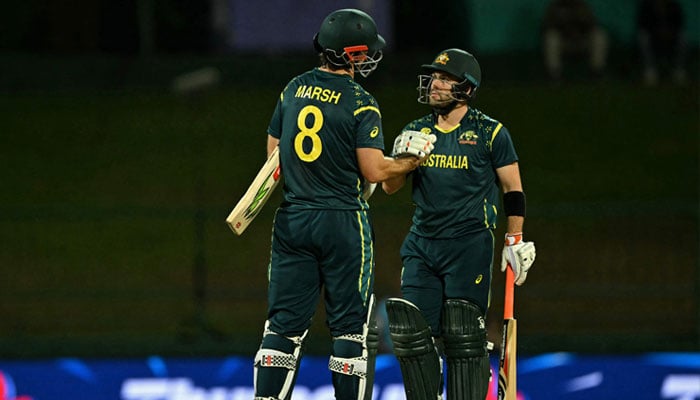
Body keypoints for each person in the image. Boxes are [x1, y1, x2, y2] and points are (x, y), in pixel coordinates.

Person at [252, 8, 436, 400]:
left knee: (282, 328)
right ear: (350, 54)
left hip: (293, 219)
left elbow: (274, 158)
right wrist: (408, 160)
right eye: (365, 51)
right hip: (342, 222)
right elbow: (373, 170)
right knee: (350, 331)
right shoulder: (361, 101)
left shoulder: (293, 89)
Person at [381, 49, 536, 399]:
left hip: (469, 245)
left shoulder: (491, 132)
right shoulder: (415, 131)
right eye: (433, 77)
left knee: (463, 337)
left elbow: (513, 190)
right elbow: (390, 188)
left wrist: (515, 239)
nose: (435, 83)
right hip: (422, 245)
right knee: (413, 334)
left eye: (444, 78)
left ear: (466, 88)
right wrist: (404, 160)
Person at [542, 0, 608, 81]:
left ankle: (596, 72)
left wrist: (582, 19)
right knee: (551, 38)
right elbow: (546, 27)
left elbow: (593, 25)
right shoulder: (555, 7)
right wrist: (562, 22)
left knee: (599, 35)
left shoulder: (583, 6)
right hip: (564, 43)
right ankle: (554, 74)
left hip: (581, 42)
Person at [636, 0, 687, 85]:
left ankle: (678, 70)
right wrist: (657, 32)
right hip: (653, 38)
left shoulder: (674, 6)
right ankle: (650, 70)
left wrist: (670, 33)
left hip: (672, 38)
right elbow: (642, 25)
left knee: (683, 38)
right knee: (643, 38)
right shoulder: (646, 7)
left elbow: (679, 24)